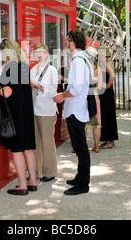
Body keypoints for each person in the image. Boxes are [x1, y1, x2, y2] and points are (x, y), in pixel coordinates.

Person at [0, 38, 36, 195]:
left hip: (15, 116)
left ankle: (22, 185)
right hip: (26, 114)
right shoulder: (23, 67)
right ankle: (32, 182)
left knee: (17, 150)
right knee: (28, 149)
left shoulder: (9, 68)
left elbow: (6, 92)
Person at [53, 30, 91, 195]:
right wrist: (67, 81)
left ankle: (82, 184)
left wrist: (62, 95)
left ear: (73, 43)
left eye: (67, 41)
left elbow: (76, 89)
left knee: (81, 149)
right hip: (77, 109)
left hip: (75, 110)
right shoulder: (82, 59)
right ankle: (80, 178)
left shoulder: (78, 61)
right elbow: (78, 83)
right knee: (79, 147)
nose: (65, 44)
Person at [30, 44, 59, 182]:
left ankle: (50, 172)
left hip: (47, 111)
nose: (38, 54)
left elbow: (53, 92)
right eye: (36, 52)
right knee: (35, 144)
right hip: (34, 110)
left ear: (46, 54)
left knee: (47, 143)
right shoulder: (32, 70)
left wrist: (37, 86)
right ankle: (36, 172)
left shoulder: (52, 70)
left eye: (41, 52)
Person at [97, 45, 119, 149]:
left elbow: (113, 76)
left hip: (106, 93)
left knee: (106, 115)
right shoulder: (105, 63)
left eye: (101, 54)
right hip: (106, 93)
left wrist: (107, 85)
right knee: (108, 115)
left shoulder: (106, 64)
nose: (99, 56)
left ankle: (108, 140)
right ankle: (110, 140)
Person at [84, 46, 102, 153]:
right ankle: (96, 146)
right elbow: (100, 87)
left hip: (83, 96)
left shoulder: (82, 68)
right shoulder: (98, 69)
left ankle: (82, 146)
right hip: (94, 95)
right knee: (96, 124)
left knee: (83, 123)